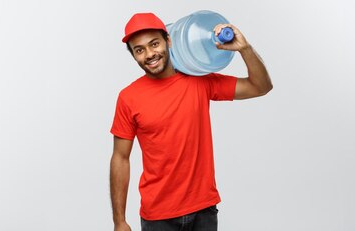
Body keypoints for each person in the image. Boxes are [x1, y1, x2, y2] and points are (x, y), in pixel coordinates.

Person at [109, 12, 273, 231]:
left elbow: (261, 86)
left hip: (203, 209)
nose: (149, 54)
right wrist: (119, 221)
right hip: (158, 216)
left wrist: (245, 48)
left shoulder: (200, 80)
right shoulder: (128, 98)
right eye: (139, 50)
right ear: (134, 55)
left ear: (168, 40)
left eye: (154, 44)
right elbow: (120, 158)